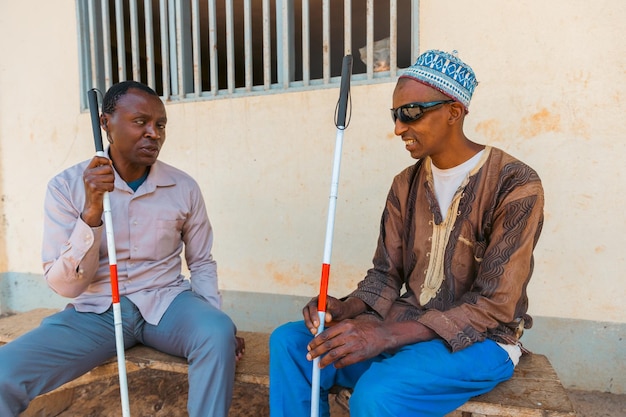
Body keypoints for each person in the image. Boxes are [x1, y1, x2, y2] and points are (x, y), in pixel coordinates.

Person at [269, 50, 545, 416]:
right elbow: (386, 274)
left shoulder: (516, 184)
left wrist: (383, 336)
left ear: (454, 111)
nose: (399, 128)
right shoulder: (405, 184)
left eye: (411, 113)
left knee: (378, 394)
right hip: (404, 326)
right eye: (395, 115)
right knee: (292, 343)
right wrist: (345, 307)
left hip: (481, 341)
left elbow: (495, 306)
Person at [0, 80, 244, 417]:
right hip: (95, 312)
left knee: (216, 333)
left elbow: (201, 261)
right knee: (4, 373)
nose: (153, 133)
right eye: (140, 122)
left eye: (160, 125)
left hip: (167, 304)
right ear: (106, 124)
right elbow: (63, 286)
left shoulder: (183, 187)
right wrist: (92, 211)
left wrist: (213, 317)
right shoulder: (65, 187)